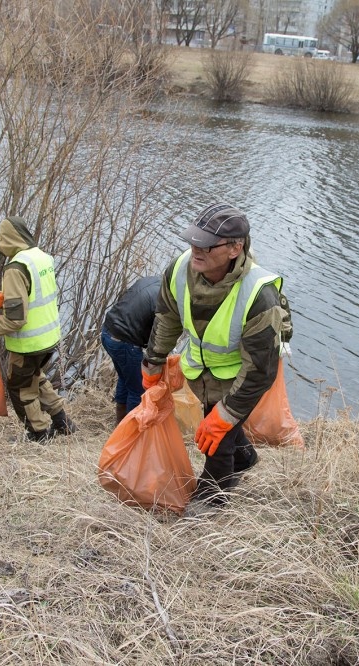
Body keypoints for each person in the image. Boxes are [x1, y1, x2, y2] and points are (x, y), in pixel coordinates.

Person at [141, 203, 291, 510]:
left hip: (242, 375)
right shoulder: (180, 269)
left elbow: (260, 370)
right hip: (202, 370)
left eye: (207, 245)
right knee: (219, 429)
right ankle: (246, 458)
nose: (196, 249)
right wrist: (153, 360)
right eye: (193, 241)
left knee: (216, 439)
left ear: (235, 248)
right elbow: (167, 317)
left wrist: (227, 414)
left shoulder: (260, 295)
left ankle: (210, 501)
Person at [0, 216, 78, 442]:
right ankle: (63, 421)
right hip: (50, 337)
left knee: (19, 388)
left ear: (8, 239)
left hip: (29, 343)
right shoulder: (42, 257)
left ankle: (39, 433)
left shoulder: (16, 268)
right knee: (36, 377)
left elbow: (15, 319)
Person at [101, 275, 163, 425]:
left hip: (108, 332)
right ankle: (131, 433)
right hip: (125, 342)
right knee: (138, 389)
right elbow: (159, 336)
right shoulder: (165, 300)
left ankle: (120, 423)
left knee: (126, 379)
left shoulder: (153, 280)